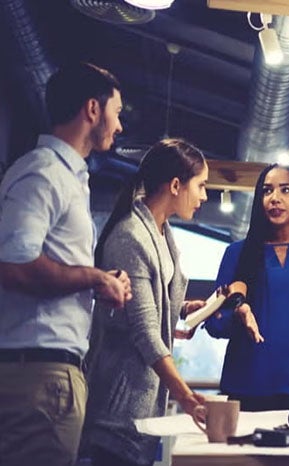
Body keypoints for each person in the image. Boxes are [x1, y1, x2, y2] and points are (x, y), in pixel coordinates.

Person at [0, 62, 132, 466]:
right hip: (40, 377)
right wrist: (93, 277)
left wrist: (97, 282)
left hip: (47, 376)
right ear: (92, 109)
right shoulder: (45, 172)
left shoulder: (68, 177)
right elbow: (14, 265)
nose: (120, 126)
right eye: (117, 112)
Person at [81, 138, 210, 466]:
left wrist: (180, 308)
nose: (205, 196)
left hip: (145, 399)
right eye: (202, 186)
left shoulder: (163, 232)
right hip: (119, 407)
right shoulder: (130, 236)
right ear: (177, 185)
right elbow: (144, 331)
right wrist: (184, 395)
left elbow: (149, 299)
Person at [205, 164, 289, 415]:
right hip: (246, 391)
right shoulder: (236, 253)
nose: (275, 198)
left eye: (286, 190)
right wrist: (236, 314)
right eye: (267, 191)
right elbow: (215, 325)